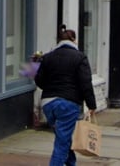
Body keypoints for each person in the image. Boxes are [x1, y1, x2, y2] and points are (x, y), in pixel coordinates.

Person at [37, 26, 97, 166]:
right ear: (74, 40)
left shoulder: (47, 57)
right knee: (62, 142)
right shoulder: (80, 57)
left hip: (48, 104)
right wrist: (91, 105)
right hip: (68, 104)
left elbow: (39, 81)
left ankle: (71, 164)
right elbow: (85, 83)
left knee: (63, 136)